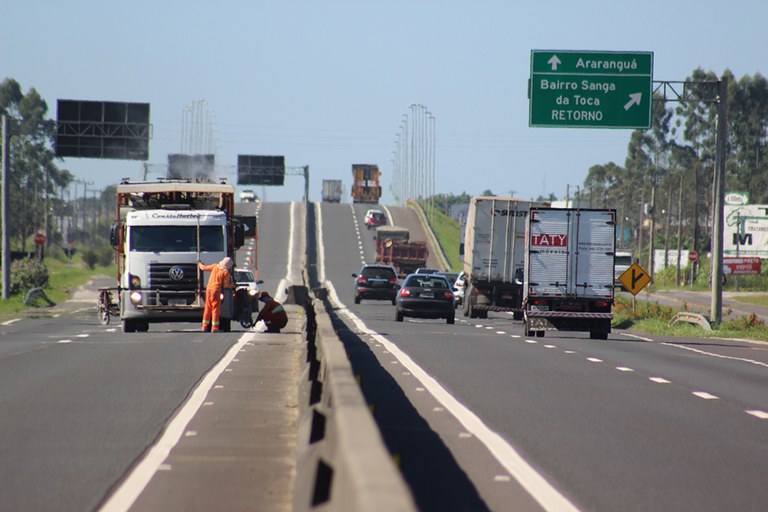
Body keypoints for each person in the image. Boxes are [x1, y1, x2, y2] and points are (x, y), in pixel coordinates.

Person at [198, 257, 235, 332]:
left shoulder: (215, 266)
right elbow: (226, 285)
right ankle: (214, 328)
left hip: (209, 289)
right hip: (216, 290)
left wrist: (199, 263)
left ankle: (204, 327)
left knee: (207, 308)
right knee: (215, 309)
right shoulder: (225, 272)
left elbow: (204, 268)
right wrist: (233, 286)